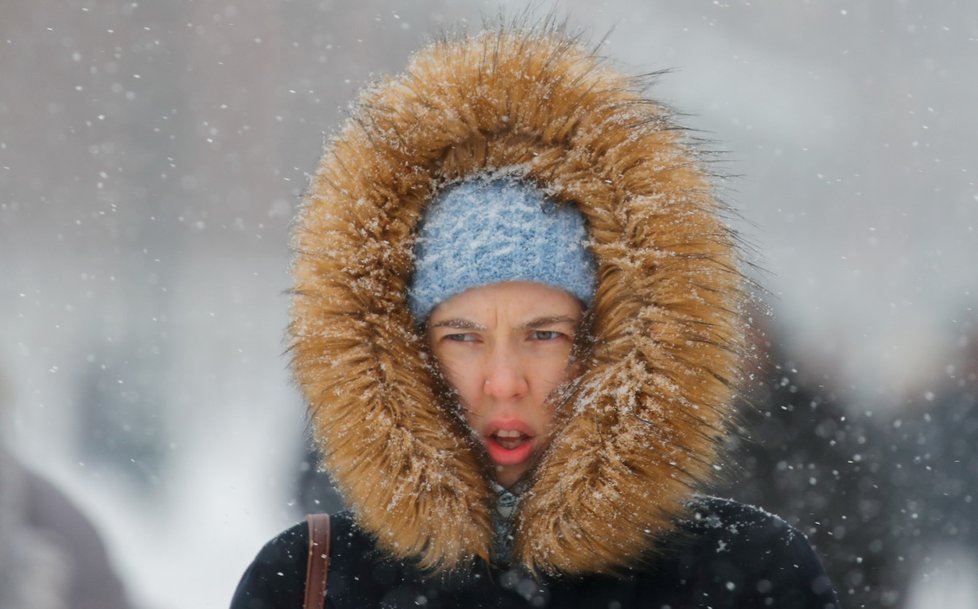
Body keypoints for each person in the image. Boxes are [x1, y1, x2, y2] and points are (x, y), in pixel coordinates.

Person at [231, 24, 839, 609]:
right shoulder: (309, 577)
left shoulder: (747, 571)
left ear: (612, 346)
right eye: (462, 337)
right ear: (406, 353)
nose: (504, 380)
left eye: (544, 335)